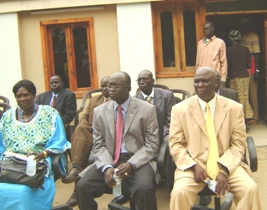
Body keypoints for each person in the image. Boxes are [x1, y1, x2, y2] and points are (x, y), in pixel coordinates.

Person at [169, 67, 262, 210]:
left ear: (217, 83)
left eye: (205, 81)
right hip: (193, 166)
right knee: (179, 193)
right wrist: (193, 166)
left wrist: (224, 170)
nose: (200, 85)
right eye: (197, 82)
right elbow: (175, 144)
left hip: (227, 165)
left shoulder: (234, 108)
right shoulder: (180, 109)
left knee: (250, 189)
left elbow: (238, 144)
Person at [76, 71, 160, 210]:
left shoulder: (147, 109)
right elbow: (98, 144)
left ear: (128, 89)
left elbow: (152, 145)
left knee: (144, 188)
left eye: (116, 86)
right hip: (110, 158)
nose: (111, 89)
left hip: (138, 159)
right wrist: (107, 166)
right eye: (109, 86)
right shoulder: (99, 111)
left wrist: (131, 164)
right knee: (82, 186)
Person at [0, 79, 70, 210]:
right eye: (19, 96)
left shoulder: (49, 114)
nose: (23, 99)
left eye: (26, 95)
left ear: (34, 95)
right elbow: (1, 145)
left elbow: (59, 141)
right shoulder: (8, 116)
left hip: (38, 163)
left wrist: (43, 154)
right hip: (9, 164)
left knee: (23, 192)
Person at [63, 76, 110, 207]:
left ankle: (77, 182)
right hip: (91, 131)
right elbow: (85, 117)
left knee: (81, 140)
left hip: (107, 134)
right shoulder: (95, 99)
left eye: (108, 85)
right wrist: (84, 126)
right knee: (79, 129)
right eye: (103, 85)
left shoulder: (117, 100)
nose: (105, 88)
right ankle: (77, 171)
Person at [227, 29, 253, 130]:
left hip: (233, 77)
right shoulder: (245, 49)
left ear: (230, 38)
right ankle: (246, 122)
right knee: (244, 98)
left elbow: (227, 65)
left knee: (234, 100)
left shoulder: (228, 50)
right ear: (240, 37)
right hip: (244, 77)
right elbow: (249, 64)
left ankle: (237, 123)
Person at [37, 75, 77, 141]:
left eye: (56, 82)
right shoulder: (43, 96)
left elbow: (69, 115)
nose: (54, 84)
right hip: (44, 126)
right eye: (52, 83)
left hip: (59, 124)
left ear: (62, 84)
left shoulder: (68, 95)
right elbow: (39, 112)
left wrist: (55, 123)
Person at [239, 17, 260, 126]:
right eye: (242, 25)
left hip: (252, 66)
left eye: (244, 24)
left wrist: (256, 70)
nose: (243, 26)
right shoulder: (242, 36)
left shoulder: (254, 36)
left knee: (253, 93)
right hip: (244, 68)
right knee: (245, 94)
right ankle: (248, 116)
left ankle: (255, 117)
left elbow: (257, 54)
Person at [196, 21, 227, 88]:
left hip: (214, 79)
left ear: (213, 29)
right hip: (202, 79)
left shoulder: (220, 42)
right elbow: (197, 63)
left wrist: (223, 80)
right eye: (204, 29)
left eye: (208, 29)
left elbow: (223, 62)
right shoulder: (200, 43)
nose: (206, 31)